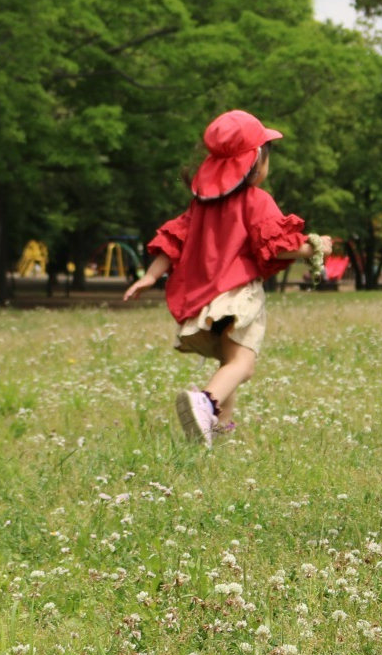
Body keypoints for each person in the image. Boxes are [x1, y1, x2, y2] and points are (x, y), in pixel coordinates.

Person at [123, 110, 331, 445]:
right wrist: (315, 249)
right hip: (238, 294)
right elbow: (278, 247)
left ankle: (219, 428)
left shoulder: (201, 206)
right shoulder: (256, 201)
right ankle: (204, 401)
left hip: (207, 296)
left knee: (227, 362)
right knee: (242, 365)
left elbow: (173, 240)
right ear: (256, 162)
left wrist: (150, 276)